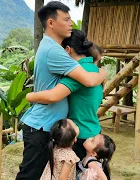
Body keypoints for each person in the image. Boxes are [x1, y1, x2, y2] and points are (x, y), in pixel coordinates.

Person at [16, 1, 106, 179]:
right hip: (41, 126)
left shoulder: (49, 46)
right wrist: (102, 73)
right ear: (51, 23)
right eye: (66, 19)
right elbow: (87, 80)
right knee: (30, 175)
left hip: (46, 125)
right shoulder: (54, 51)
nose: (71, 23)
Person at [26, 29, 103, 161]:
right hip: (93, 130)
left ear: (67, 50)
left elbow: (53, 96)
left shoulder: (78, 73)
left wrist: (29, 96)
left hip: (79, 135)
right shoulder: (94, 69)